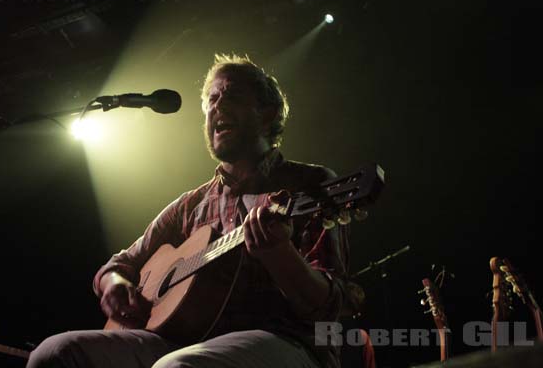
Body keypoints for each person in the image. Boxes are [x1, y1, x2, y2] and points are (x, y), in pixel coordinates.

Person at [27, 54, 364, 368]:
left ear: (267, 114)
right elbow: (118, 265)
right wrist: (114, 283)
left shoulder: (311, 185)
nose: (216, 108)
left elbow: (330, 306)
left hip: (288, 343)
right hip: (184, 341)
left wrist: (279, 254)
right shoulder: (189, 205)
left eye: (230, 96)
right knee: (56, 353)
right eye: (211, 101)